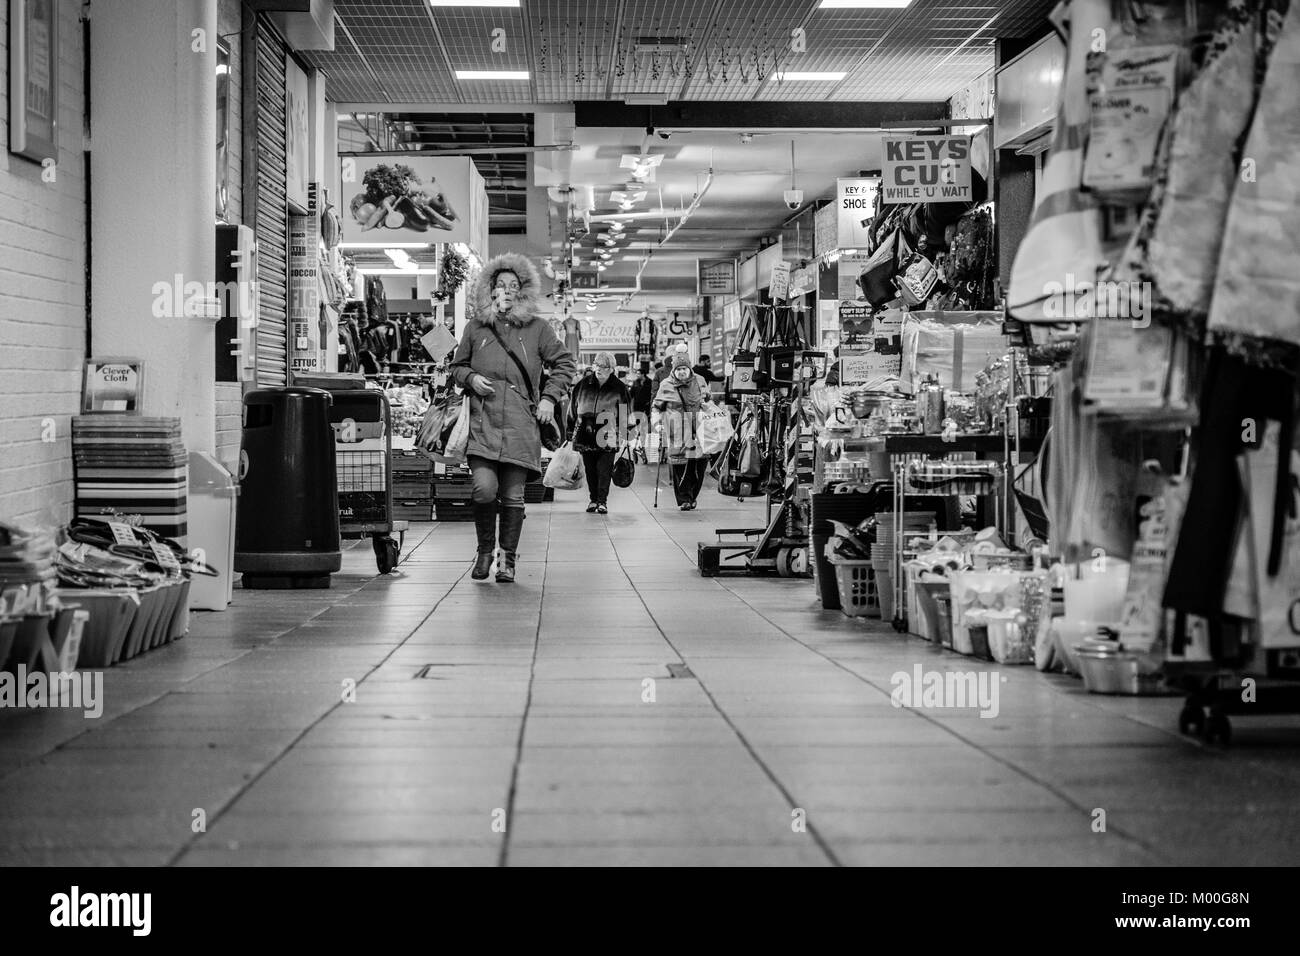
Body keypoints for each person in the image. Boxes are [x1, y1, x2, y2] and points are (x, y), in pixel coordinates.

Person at [450, 253, 577, 583]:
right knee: (483, 489)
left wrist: (549, 398)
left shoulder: (538, 329)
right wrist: (470, 378)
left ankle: (507, 560)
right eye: (500, 284)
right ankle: (483, 552)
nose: (506, 290)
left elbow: (565, 365)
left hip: (521, 424)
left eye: (514, 285)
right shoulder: (476, 328)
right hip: (482, 422)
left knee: (512, 496)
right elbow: (457, 366)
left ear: (524, 291)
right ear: (489, 289)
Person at [569, 351, 631, 515]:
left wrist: (624, 434)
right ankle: (593, 499)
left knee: (604, 470)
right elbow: (572, 410)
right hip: (585, 433)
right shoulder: (582, 385)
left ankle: (602, 501)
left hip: (608, 434)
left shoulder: (619, 387)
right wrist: (572, 431)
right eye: (597, 364)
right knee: (590, 470)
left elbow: (624, 412)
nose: (599, 368)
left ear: (611, 368)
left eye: (603, 366)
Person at [653, 351, 710, 511]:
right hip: (677, 431)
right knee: (680, 467)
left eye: (684, 368)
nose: (682, 372)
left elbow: (708, 399)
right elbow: (656, 406)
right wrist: (658, 424)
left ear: (689, 368)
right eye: (678, 369)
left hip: (699, 430)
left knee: (699, 466)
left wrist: (709, 408)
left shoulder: (700, 380)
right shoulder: (666, 384)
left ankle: (692, 496)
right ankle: (684, 499)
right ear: (673, 370)